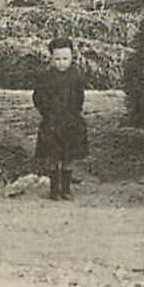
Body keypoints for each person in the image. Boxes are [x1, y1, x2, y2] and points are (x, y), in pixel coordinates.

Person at [32, 37, 88, 201]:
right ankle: (54, 188)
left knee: (69, 156)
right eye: (57, 59)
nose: (61, 63)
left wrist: (74, 113)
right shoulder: (45, 78)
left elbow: (79, 97)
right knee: (53, 156)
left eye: (65, 59)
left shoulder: (76, 76)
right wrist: (46, 112)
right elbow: (38, 97)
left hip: (71, 121)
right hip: (51, 121)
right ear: (51, 59)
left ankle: (66, 188)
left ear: (72, 58)